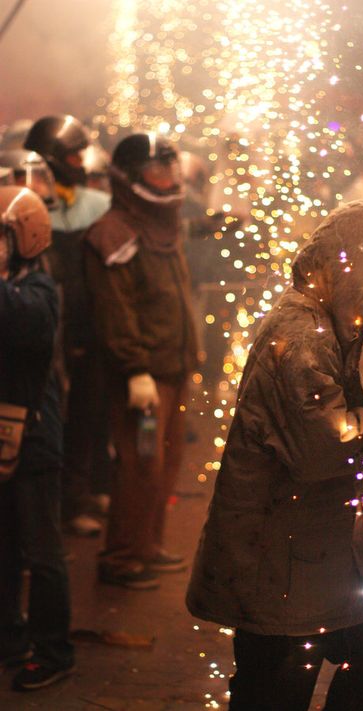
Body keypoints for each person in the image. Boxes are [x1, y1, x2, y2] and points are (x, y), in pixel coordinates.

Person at [186, 199, 363, 711]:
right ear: (357, 270)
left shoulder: (323, 323)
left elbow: (332, 418)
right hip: (281, 564)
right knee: (281, 687)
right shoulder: (302, 337)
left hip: (310, 554)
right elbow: (330, 447)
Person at [83, 133, 199, 589]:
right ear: (130, 179)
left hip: (170, 369)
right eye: (157, 172)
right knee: (141, 463)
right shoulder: (113, 234)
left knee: (166, 461)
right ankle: (122, 558)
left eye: (171, 170)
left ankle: (148, 545)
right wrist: (136, 370)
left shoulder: (161, 227)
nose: (167, 181)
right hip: (146, 378)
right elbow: (116, 309)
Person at [0, 185, 74, 690]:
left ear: (24, 238)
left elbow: (20, 322)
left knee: (42, 551)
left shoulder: (40, 289)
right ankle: (9, 636)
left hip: (34, 437)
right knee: (4, 546)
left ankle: (54, 651)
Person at [25, 115, 111, 536]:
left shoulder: (94, 204)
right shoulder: (26, 206)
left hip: (88, 323)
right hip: (47, 330)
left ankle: (77, 496)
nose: (80, 162)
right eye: (73, 154)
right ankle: (53, 504)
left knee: (86, 416)